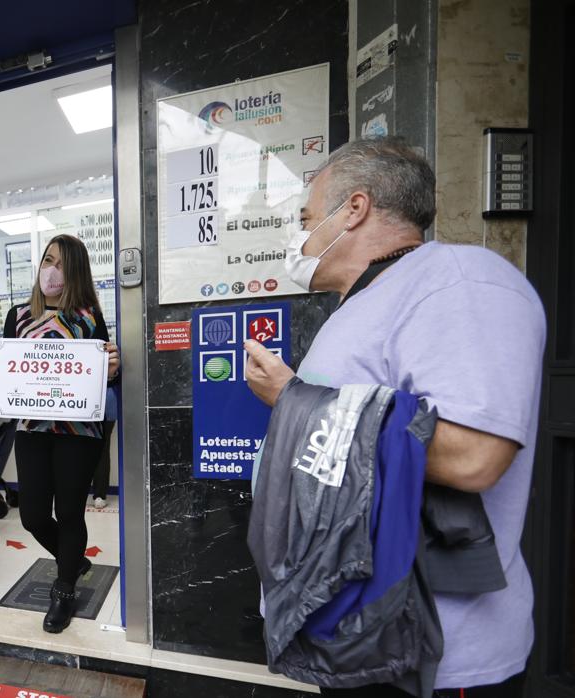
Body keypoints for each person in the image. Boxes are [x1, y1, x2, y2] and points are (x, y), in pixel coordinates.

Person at [244, 137, 545, 697]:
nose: (300, 236)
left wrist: (293, 399)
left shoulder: (460, 281)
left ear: (353, 209)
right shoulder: (364, 300)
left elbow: (476, 457)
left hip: (431, 657)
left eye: (307, 217)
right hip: (355, 636)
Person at [0, 234, 120, 633]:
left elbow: (107, 374)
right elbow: (9, 373)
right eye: (46, 260)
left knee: (70, 512)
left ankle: (64, 590)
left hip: (78, 431)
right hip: (32, 429)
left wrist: (113, 367)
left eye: (58, 263)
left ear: (74, 270)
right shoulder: (17, 315)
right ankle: (72, 561)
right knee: (35, 515)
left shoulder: (89, 316)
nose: (50, 270)